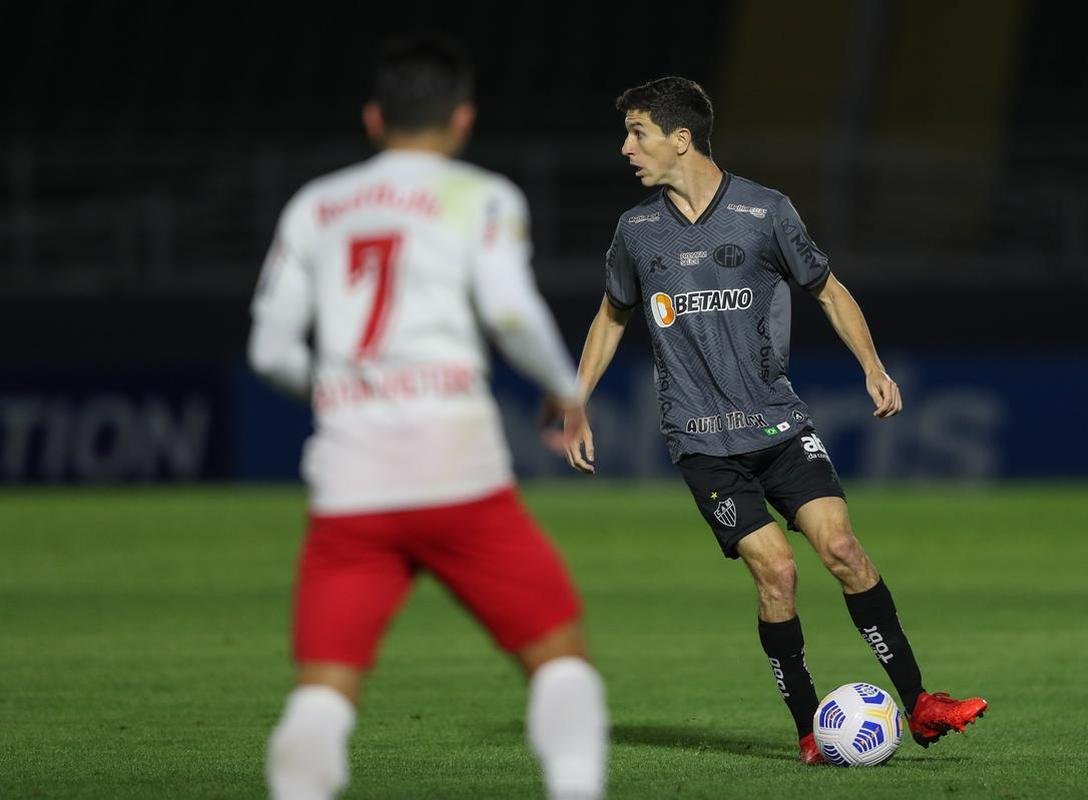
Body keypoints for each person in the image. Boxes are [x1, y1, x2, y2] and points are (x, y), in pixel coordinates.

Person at [565, 76, 986, 765]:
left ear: (680, 138)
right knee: (779, 573)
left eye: (636, 132)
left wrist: (873, 366)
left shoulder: (765, 212)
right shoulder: (636, 231)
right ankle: (807, 729)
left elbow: (828, 289)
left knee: (844, 551)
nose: (625, 148)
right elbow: (612, 314)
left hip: (779, 426)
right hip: (703, 443)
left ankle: (921, 704)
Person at [249, 35, 608, 800]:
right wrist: (563, 388)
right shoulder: (480, 196)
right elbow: (511, 311)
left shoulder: (316, 206)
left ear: (375, 119)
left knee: (323, 690)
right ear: (462, 121)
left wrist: (339, 391)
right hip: (459, 477)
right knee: (560, 658)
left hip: (351, 487)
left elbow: (271, 349)